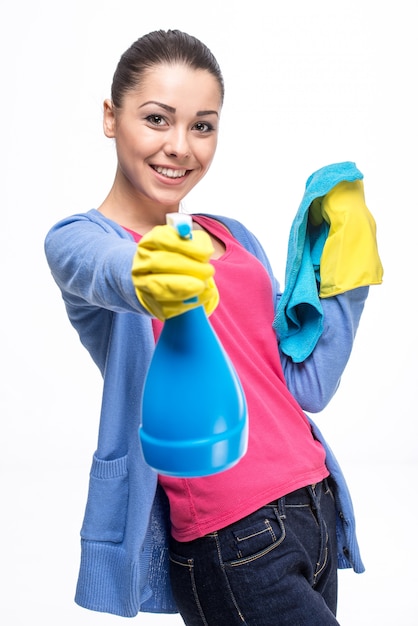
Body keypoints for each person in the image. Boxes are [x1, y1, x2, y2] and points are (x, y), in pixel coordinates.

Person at [44, 29, 383, 625]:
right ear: (110, 117)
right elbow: (106, 272)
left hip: (315, 505)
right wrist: (148, 275)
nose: (179, 146)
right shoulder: (82, 240)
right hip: (236, 537)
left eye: (202, 126)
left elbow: (306, 386)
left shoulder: (234, 237)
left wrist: (344, 280)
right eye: (156, 119)